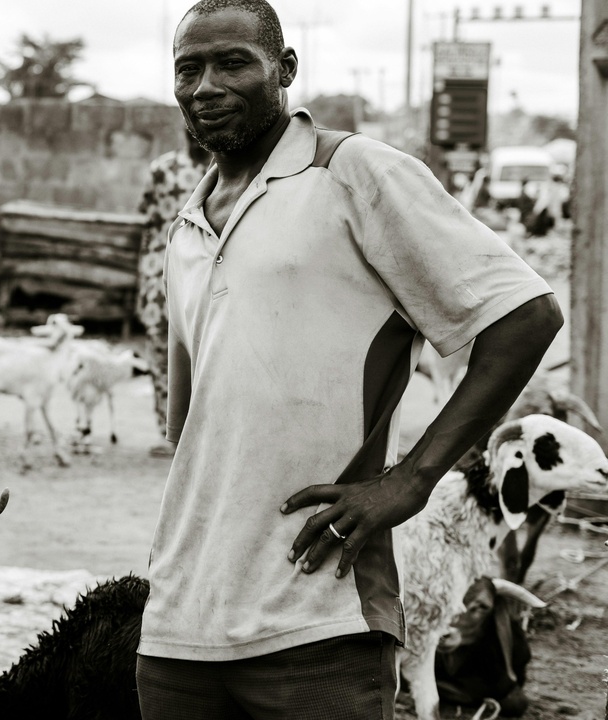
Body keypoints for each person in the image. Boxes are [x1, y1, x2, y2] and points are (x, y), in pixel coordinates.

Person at [137, 1, 561, 718]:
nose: (206, 85)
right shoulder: (186, 224)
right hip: (181, 626)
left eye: (233, 62)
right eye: (189, 67)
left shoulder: (353, 172)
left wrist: (412, 481)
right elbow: (193, 435)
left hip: (319, 615)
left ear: (286, 69)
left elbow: (525, 314)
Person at [135, 144, 209, 457]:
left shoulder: (227, 166)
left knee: (206, 350)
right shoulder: (163, 168)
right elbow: (146, 220)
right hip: (158, 272)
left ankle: (204, 433)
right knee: (162, 352)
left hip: (204, 271)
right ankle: (171, 434)